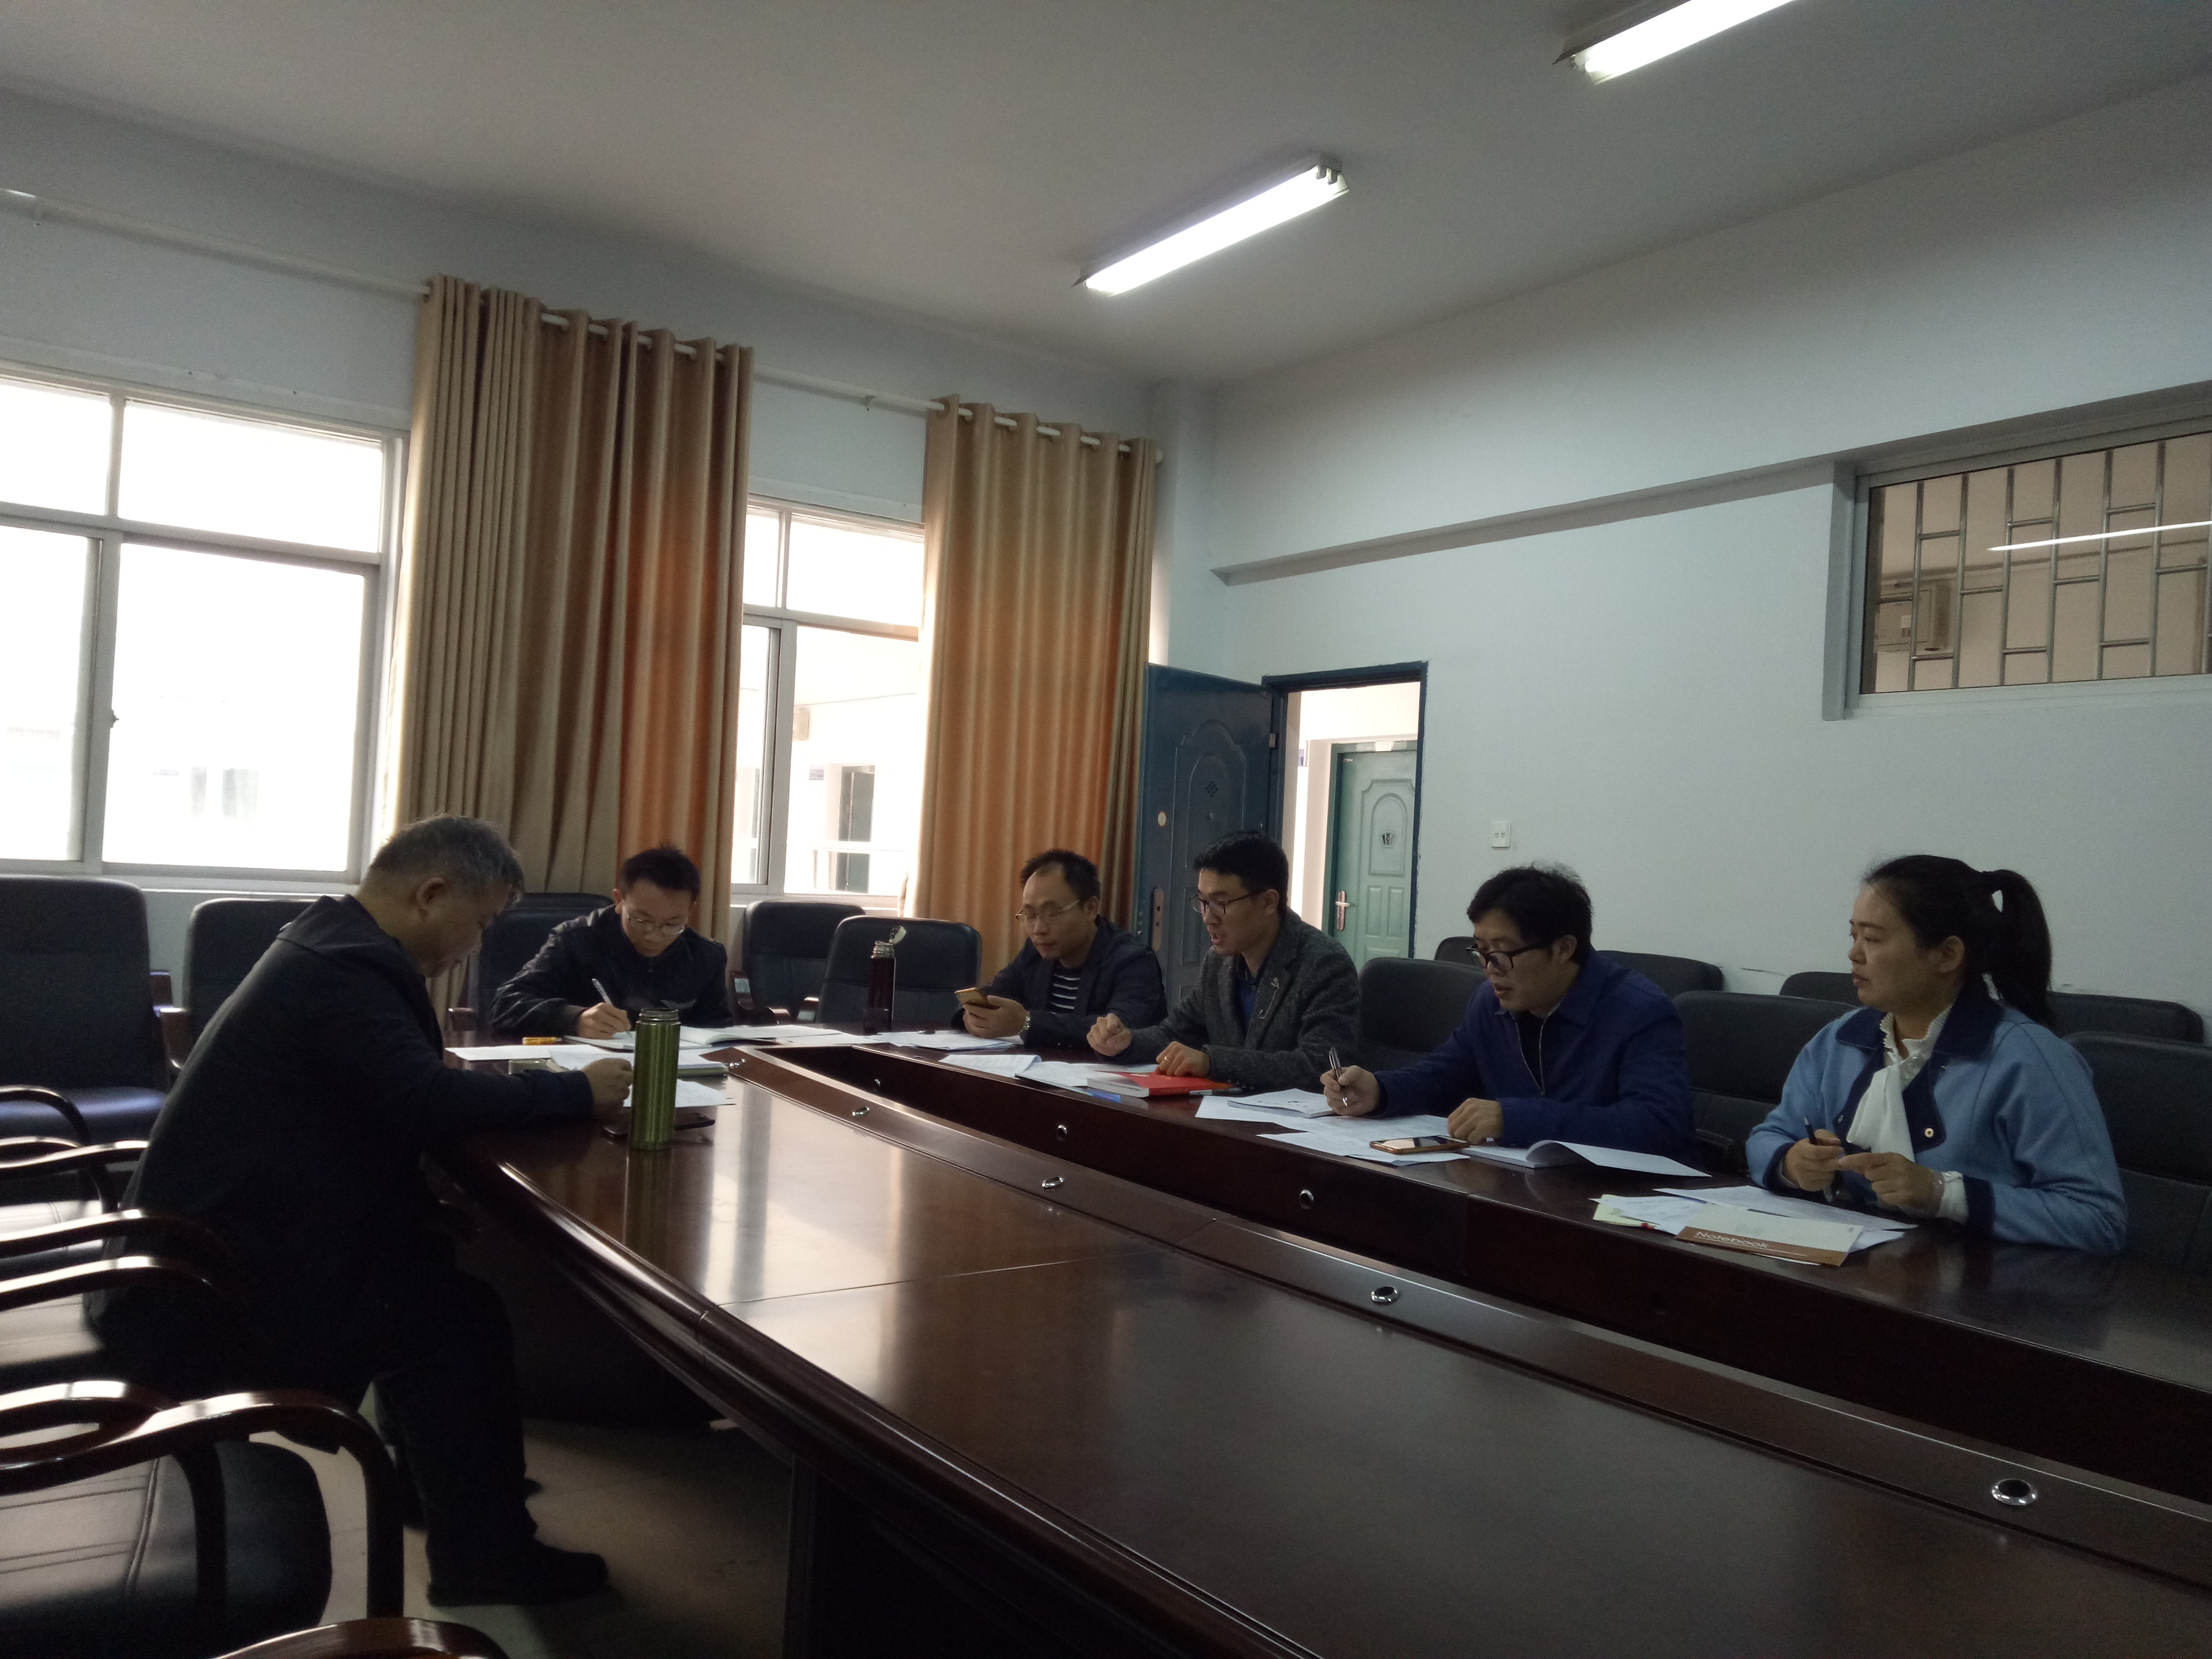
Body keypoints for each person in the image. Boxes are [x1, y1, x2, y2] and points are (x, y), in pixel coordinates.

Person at [96, 816, 633, 1605]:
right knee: (451, 1319)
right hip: (208, 1290)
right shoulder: (345, 970)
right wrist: (576, 1090)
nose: (476, 945)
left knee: (436, 1285)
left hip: (209, 1249)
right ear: (431, 893)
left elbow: (374, 1099)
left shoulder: (331, 944)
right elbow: (424, 1101)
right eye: (481, 921)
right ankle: (485, 1557)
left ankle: (440, 1492)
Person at [1745, 856, 2126, 1253]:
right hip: (1851, 1269)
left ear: (1947, 955)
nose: (1854, 954)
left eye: (1872, 939)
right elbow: (1768, 1136)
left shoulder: (2030, 1059)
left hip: (1976, 1282)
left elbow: (2098, 1220)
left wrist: (1942, 1193)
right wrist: (1791, 1163)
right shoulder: (1839, 1040)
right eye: (1853, 935)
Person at [1326, 864, 1695, 1157]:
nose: (1490, 970)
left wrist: (1515, 1118)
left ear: (1564, 948)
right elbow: (1442, 1076)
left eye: (1502, 953)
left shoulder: (1638, 1012)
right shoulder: (1490, 1002)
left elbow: (1659, 1126)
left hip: (1619, 1201)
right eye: (1482, 952)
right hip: (1519, 1187)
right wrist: (1379, 1090)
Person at [1090, 830, 1356, 1092]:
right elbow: (1176, 1033)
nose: (1208, 918)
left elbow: (1321, 1066)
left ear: (1268, 902)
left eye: (1220, 903)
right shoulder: (1219, 963)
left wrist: (1213, 1063)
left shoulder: (1323, 962)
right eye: (1203, 902)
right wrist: (1126, 1043)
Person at [490, 844, 736, 1037]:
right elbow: (505, 1006)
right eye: (641, 920)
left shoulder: (706, 957)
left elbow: (717, 1032)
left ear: (691, 910)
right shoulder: (576, 941)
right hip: (587, 1072)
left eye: (673, 924)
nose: (654, 935)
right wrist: (574, 1019)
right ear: (619, 901)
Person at [964, 849, 1167, 1047]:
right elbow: (995, 994)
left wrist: (1027, 1023)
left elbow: (1118, 1031)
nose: (1039, 929)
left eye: (1052, 913)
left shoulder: (1133, 960)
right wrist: (974, 1014)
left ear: (1090, 909)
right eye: (1030, 915)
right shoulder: (1035, 952)